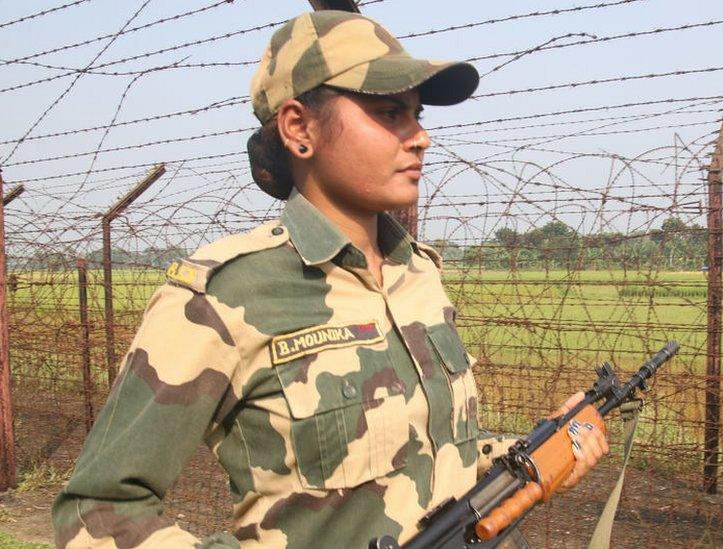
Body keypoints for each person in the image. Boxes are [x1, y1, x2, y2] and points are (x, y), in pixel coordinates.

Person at [52, 10, 608, 548]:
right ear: (299, 128)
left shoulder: (418, 274)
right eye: (390, 113)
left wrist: (531, 452)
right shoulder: (225, 296)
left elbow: (434, 454)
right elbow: (97, 510)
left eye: (418, 114)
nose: (420, 138)